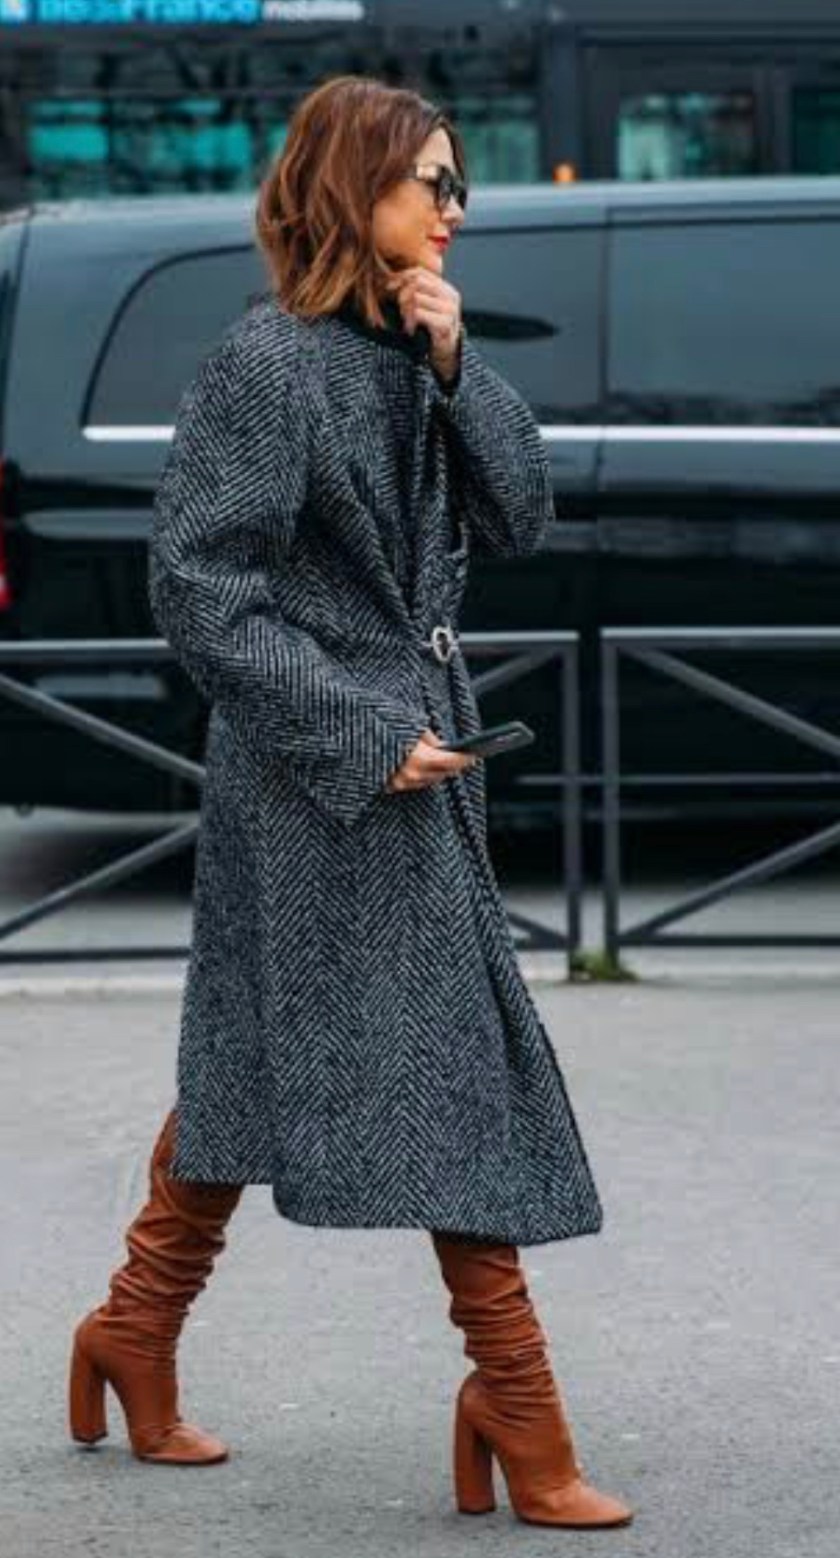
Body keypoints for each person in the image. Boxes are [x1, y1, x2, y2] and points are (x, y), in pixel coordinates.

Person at [68, 75, 633, 1531]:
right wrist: (360, 729)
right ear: (350, 185)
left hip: (420, 747)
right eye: (430, 182)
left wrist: (460, 369)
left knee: (260, 1053)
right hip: (321, 766)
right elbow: (201, 586)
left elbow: (521, 517)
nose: (455, 208)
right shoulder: (267, 363)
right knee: (455, 1058)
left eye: (459, 184)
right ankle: (519, 1405)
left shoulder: (414, 348)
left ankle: (133, 1324)